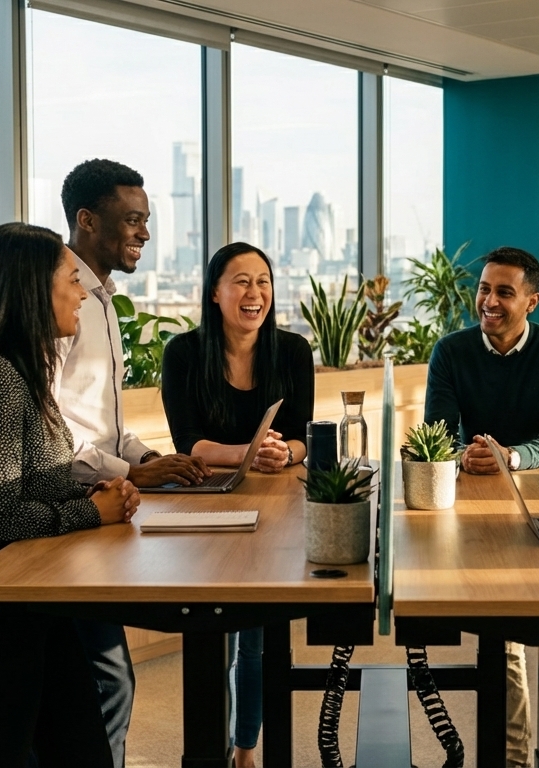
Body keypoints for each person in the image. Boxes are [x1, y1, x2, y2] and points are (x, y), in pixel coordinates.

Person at [0, 222, 142, 767]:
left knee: (82, 750)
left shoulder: (22, 373)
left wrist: (94, 488)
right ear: (31, 289)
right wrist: (89, 510)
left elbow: (34, 478)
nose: (83, 292)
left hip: (29, 593)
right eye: (70, 279)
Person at [55, 158, 210, 768]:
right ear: (87, 220)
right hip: (71, 507)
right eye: (133, 220)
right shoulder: (58, 300)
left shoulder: (104, 300)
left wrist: (148, 458)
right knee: (107, 682)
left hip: (106, 504)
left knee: (106, 681)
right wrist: (126, 474)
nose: (144, 233)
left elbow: (107, 422)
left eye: (148, 221)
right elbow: (50, 427)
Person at [421, 246, 539, 767]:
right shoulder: (450, 351)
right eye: (484, 289)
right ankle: (513, 761)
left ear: (532, 302)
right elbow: (438, 435)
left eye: (505, 293)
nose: (489, 301)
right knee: (506, 637)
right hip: (478, 506)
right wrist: (468, 454)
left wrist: (509, 456)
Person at [161, 241, 314, 767]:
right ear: (214, 293)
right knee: (212, 632)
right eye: (242, 281)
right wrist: (250, 452)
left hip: (274, 506)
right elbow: (189, 442)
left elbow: (303, 437)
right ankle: (210, 748)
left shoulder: (292, 350)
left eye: (264, 281)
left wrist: (282, 450)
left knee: (257, 637)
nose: (255, 293)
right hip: (206, 506)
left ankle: (246, 748)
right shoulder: (183, 352)